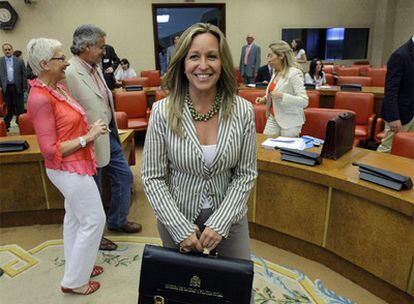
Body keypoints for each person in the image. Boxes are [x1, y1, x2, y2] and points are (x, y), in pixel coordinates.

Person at [141, 22, 258, 264]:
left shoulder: (243, 110)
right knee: (183, 290)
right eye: (194, 56)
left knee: (236, 291)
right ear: (183, 63)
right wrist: (179, 227)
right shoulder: (162, 111)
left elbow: (246, 174)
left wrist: (221, 222)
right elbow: (153, 177)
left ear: (222, 62)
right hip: (176, 217)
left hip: (230, 215)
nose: (203, 66)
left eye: (212, 56)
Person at [27, 37, 107, 295]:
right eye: (60, 58)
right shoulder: (39, 97)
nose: (66, 63)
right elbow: (50, 150)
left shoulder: (58, 88)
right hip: (66, 169)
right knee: (94, 219)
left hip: (76, 164)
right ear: (44, 63)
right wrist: (89, 137)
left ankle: (78, 267)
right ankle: (74, 282)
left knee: (74, 219)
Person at [65, 24, 142, 252]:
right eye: (100, 46)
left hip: (109, 134)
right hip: (87, 141)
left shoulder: (94, 66)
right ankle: (95, 237)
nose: (104, 51)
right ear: (86, 46)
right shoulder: (69, 72)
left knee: (124, 176)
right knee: (93, 191)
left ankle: (117, 221)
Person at [256, 41, 308, 137]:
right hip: (273, 117)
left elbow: (304, 101)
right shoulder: (275, 72)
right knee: (267, 147)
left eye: (271, 56)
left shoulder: (294, 73)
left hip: (290, 121)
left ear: (281, 56)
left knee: (284, 151)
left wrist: (282, 96)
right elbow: (274, 92)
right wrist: (265, 98)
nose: (268, 60)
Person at [377, 36, 414, 153]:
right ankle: (373, 171)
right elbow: (390, 91)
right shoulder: (400, 55)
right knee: (387, 150)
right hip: (401, 115)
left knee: (409, 150)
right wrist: (393, 118)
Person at [0, 43, 27, 131]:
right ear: (3, 51)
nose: (7, 51)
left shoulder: (19, 61)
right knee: (9, 106)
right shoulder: (0, 61)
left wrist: (24, 86)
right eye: (5, 50)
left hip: (17, 86)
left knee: (20, 107)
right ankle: (6, 125)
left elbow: (24, 74)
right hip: (6, 87)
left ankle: (21, 124)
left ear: (12, 50)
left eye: (9, 49)